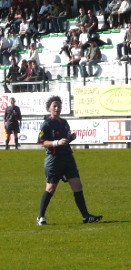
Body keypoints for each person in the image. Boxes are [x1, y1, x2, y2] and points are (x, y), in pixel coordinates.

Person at [36, 96, 102, 226]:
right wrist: (57, 142)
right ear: (49, 108)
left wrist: (70, 138)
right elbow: (42, 142)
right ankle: (40, 217)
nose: (57, 108)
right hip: (54, 160)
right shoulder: (47, 124)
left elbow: (64, 140)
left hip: (67, 157)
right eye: (54, 106)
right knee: (50, 189)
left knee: (77, 186)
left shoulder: (64, 123)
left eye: (59, 105)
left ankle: (85, 216)